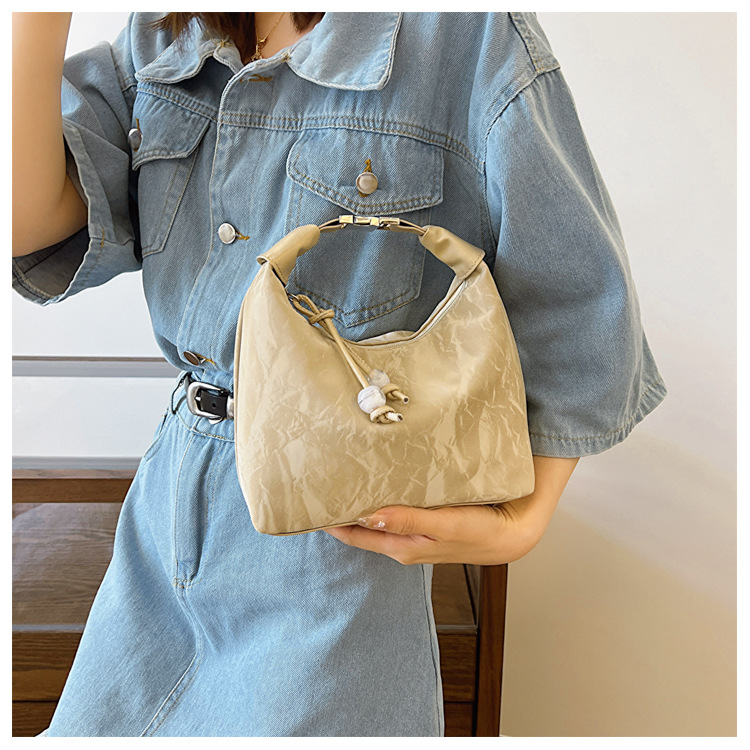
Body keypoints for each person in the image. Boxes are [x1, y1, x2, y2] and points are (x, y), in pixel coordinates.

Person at [12, 12, 667, 737]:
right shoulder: (166, 35)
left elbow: (580, 296)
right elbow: (26, 219)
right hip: (162, 520)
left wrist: (525, 519)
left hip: (332, 542)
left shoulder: (465, 35)